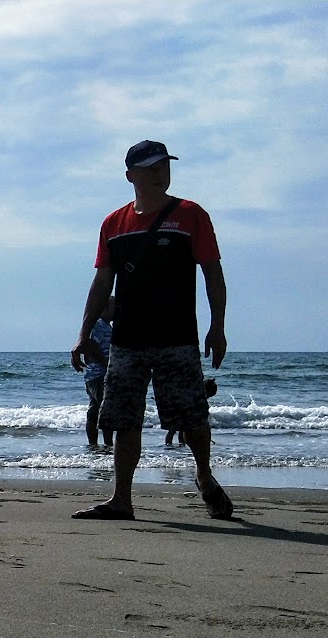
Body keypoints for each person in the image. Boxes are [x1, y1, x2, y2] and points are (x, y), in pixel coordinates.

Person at [71, 140, 231, 520]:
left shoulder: (191, 215)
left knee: (191, 418)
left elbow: (212, 272)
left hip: (177, 337)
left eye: (164, 164)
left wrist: (218, 327)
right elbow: (101, 283)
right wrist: (84, 333)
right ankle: (121, 499)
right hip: (128, 339)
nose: (160, 172)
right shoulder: (113, 224)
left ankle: (204, 476)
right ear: (131, 176)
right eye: (151, 167)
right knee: (123, 417)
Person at [83, 299, 115, 448]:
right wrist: (106, 363)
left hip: (93, 375)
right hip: (98, 375)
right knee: (106, 409)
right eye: (114, 307)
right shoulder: (99, 324)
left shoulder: (105, 325)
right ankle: (108, 445)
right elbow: (91, 346)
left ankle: (94, 446)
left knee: (95, 409)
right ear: (105, 308)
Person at [164, 378, 217, 446]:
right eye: (208, 395)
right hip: (178, 409)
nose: (207, 398)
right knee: (173, 430)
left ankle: (180, 446)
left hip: (181, 410)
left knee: (180, 430)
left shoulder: (196, 394)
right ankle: (169, 446)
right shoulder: (194, 396)